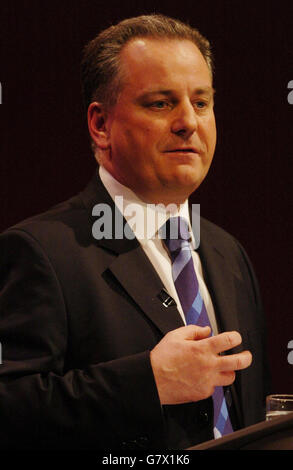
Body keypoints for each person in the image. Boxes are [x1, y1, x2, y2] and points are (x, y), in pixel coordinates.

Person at [0, 14, 270, 450]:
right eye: (161, 103)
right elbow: (9, 406)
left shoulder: (226, 252)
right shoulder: (42, 252)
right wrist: (147, 383)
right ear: (101, 125)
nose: (189, 122)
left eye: (201, 102)